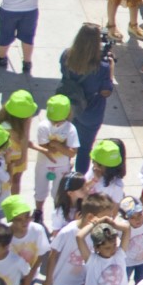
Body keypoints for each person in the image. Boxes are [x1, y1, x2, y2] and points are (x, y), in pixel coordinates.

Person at [59, 23, 116, 173]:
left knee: (64, 142)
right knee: (84, 149)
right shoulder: (102, 67)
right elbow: (106, 91)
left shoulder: (66, 55)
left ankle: (62, 168)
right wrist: (111, 70)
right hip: (91, 112)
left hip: (68, 107)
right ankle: (78, 178)